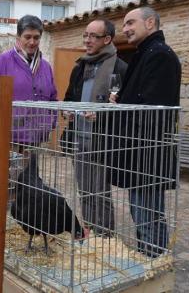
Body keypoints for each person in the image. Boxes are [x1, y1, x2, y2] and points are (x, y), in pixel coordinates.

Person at [109, 7, 181, 257]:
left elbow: (153, 107)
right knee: (141, 213)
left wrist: (123, 107)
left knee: (148, 215)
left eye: (130, 23)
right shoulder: (147, 53)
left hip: (147, 152)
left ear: (150, 23)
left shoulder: (159, 55)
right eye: (124, 24)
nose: (125, 28)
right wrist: (121, 100)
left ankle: (155, 262)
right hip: (138, 151)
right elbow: (140, 98)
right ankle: (148, 258)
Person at [63, 19, 127, 237]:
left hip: (101, 140)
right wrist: (67, 111)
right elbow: (69, 98)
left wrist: (103, 113)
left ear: (107, 39)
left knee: (100, 192)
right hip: (79, 138)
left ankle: (106, 237)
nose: (87, 40)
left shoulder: (119, 66)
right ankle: (90, 233)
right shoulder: (80, 65)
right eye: (85, 35)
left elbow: (124, 108)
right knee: (85, 192)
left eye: (93, 36)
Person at [0, 15, 57, 149]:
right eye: (27, 37)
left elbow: (53, 99)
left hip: (36, 140)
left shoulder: (45, 66)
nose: (32, 42)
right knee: (6, 170)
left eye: (36, 37)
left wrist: (50, 122)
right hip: (7, 139)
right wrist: (2, 121)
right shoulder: (2, 61)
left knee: (32, 170)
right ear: (18, 37)